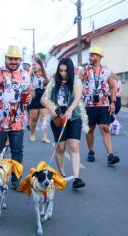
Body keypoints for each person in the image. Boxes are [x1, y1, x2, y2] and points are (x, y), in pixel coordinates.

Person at [0, 45, 35, 189]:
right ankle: (0, 175)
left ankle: (15, 178)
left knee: (17, 150)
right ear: (6, 58)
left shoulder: (25, 74)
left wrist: (30, 96)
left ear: (20, 60)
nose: (13, 61)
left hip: (18, 119)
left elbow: (31, 90)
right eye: (11, 59)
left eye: (16, 59)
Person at [41, 57, 89, 189]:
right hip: (58, 117)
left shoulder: (76, 82)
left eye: (65, 71)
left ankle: (76, 178)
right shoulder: (53, 81)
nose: (63, 73)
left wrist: (70, 110)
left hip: (74, 117)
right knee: (61, 148)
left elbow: (77, 98)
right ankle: (61, 174)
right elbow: (43, 99)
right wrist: (53, 109)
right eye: (60, 70)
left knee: (74, 147)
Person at [82, 46, 120, 165]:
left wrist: (113, 102)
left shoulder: (107, 71)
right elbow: (77, 83)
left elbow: (113, 87)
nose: (90, 57)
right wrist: (81, 90)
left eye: (92, 55)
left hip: (104, 104)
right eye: (90, 55)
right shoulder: (84, 70)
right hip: (88, 105)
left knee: (105, 128)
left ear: (99, 57)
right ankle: (91, 152)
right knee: (90, 129)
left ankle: (110, 155)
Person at [28, 56, 51, 143]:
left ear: (40, 65)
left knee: (44, 117)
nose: (33, 66)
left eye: (35, 64)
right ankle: (32, 133)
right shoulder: (30, 75)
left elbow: (49, 83)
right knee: (33, 118)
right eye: (32, 65)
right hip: (34, 96)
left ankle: (44, 137)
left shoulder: (45, 74)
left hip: (44, 96)